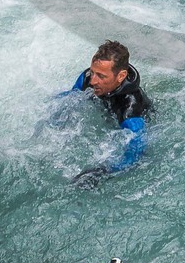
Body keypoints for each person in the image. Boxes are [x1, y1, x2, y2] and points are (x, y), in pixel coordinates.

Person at [34, 39, 151, 184]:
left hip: (130, 123)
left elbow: (134, 156)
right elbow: (71, 99)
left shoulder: (130, 109)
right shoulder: (87, 78)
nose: (93, 81)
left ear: (121, 76)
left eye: (101, 76)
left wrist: (102, 172)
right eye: (93, 72)